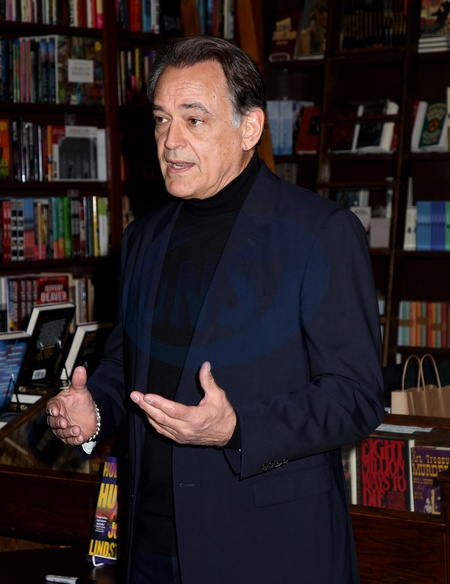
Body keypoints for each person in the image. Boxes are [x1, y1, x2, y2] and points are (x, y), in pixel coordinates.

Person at [46, 35, 385, 584]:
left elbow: (356, 397)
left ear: (249, 129)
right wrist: (94, 411)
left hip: (267, 548)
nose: (170, 141)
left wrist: (236, 428)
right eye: (161, 120)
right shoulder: (143, 238)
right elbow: (124, 365)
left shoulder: (318, 233)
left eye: (194, 120)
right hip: (149, 545)